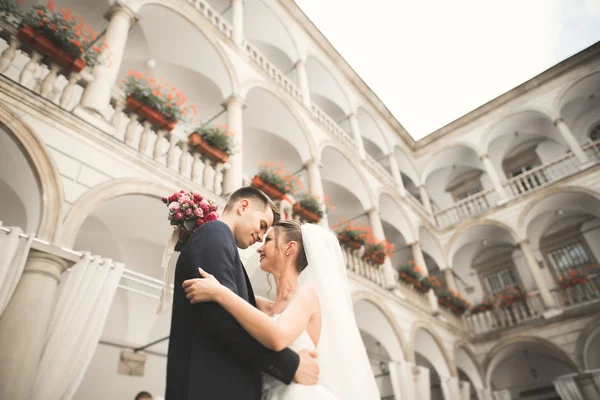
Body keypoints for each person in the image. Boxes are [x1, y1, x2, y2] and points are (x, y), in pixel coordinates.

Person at [183, 220, 381, 400]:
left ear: (290, 248)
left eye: (268, 239)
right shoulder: (261, 306)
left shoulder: (306, 295)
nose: (260, 247)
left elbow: (277, 338)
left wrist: (220, 294)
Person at [165, 187, 320, 400]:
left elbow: (236, 305)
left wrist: (221, 293)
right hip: (210, 386)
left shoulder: (221, 242)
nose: (259, 240)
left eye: (267, 237)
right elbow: (221, 317)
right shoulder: (215, 234)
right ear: (243, 206)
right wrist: (290, 365)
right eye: (262, 226)